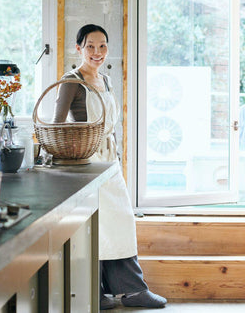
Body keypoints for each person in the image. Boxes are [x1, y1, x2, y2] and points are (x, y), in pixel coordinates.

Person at [52, 24, 167, 310]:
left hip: (109, 161)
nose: (97, 52)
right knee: (96, 227)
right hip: (86, 163)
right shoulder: (71, 81)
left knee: (118, 223)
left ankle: (120, 292)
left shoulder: (106, 80)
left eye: (102, 46)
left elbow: (111, 124)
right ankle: (105, 292)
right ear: (78, 48)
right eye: (90, 46)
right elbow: (56, 124)